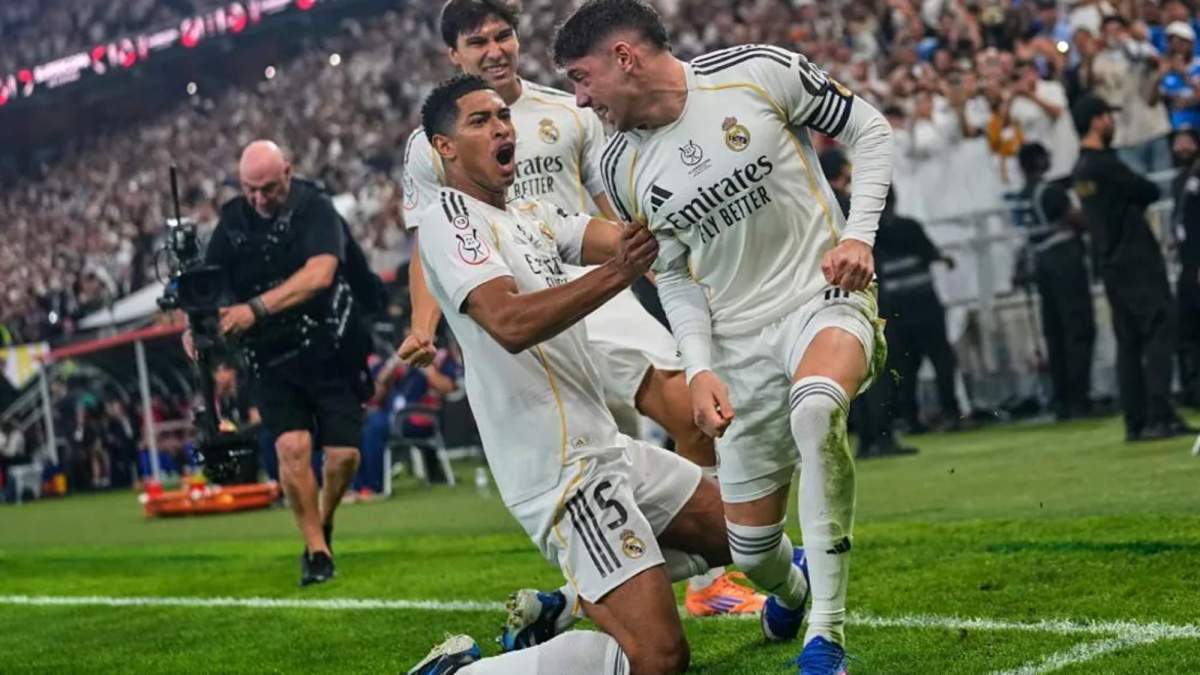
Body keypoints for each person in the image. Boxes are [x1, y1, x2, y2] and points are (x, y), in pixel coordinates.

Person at [553, 1, 895, 671]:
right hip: (737, 343)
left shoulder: (756, 73)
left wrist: (859, 236)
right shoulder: (621, 168)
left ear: (624, 58)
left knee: (817, 407)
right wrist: (699, 366)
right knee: (751, 552)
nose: (582, 98)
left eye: (581, 78)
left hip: (822, 296)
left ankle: (826, 635)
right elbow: (674, 277)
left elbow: (870, 128)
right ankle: (792, 589)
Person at [399, 0, 761, 620]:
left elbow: (611, 207)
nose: (494, 50)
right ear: (453, 56)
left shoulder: (570, 109)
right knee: (599, 467)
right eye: (477, 42)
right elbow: (431, 246)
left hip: (590, 284)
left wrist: (671, 256)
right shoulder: (432, 154)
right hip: (521, 300)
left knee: (693, 419)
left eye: (503, 35)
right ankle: (611, 589)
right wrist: (422, 324)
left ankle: (690, 585)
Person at [189, 140, 372, 586]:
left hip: (329, 348)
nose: (258, 198)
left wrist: (255, 309)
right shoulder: (232, 222)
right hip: (270, 359)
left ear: (288, 172)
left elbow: (320, 274)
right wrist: (196, 327)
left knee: (344, 457)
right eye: (249, 189)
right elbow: (207, 290)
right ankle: (317, 551)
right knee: (291, 448)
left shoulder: (315, 207)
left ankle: (323, 522)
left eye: (267, 188)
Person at [1072, 95, 1192, 441]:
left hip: (1110, 262)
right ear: (1096, 121)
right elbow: (1147, 190)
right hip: (1136, 259)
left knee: (1128, 342)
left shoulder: (1081, 169)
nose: (1111, 122)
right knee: (1157, 329)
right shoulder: (1105, 164)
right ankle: (1160, 413)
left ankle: (1135, 419)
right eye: (1107, 116)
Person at [1013, 142, 1097, 420]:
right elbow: (1077, 220)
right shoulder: (1049, 192)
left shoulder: (1021, 196)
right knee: (1078, 329)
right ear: (1040, 161)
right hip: (1064, 261)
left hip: (1040, 264)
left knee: (1055, 333)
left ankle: (1062, 399)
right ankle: (1079, 399)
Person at [873, 187, 962, 434]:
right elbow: (930, 253)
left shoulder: (872, 235)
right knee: (941, 358)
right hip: (924, 302)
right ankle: (951, 412)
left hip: (895, 308)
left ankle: (910, 418)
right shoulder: (909, 226)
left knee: (905, 365)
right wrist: (946, 260)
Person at [1170, 127, 1200, 407]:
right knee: (1187, 331)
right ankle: (1193, 389)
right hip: (1187, 264)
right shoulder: (1178, 181)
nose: (1181, 147)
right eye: (1177, 142)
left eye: (1187, 141)